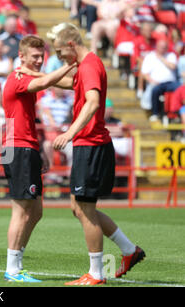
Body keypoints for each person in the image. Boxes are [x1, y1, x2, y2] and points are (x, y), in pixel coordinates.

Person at [50, 24, 145, 285]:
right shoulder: (85, 65)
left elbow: (92, 102)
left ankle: (96, 273)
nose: (60, 59)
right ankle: (129, 250)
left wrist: (69, 133)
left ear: (71, 45)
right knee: (79, 208)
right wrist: (35, 77)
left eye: (60, 53)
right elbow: (71, 84)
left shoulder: (89, 65)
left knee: (84, 208)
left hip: (90, 144)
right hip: (89, 144)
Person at [1, 35, 77, 282]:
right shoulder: (18, 78)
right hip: (18, 148)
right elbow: (46, 82)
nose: (39, 60)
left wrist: (78, 76)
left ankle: (18, 260)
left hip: (28, 147)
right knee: (22, 211)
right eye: (34, 56)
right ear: (21, 56)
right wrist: (70, 64)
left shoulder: (30, 76)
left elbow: (62, 83)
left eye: (41, 57)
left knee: (36, 212)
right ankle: (12, 268)